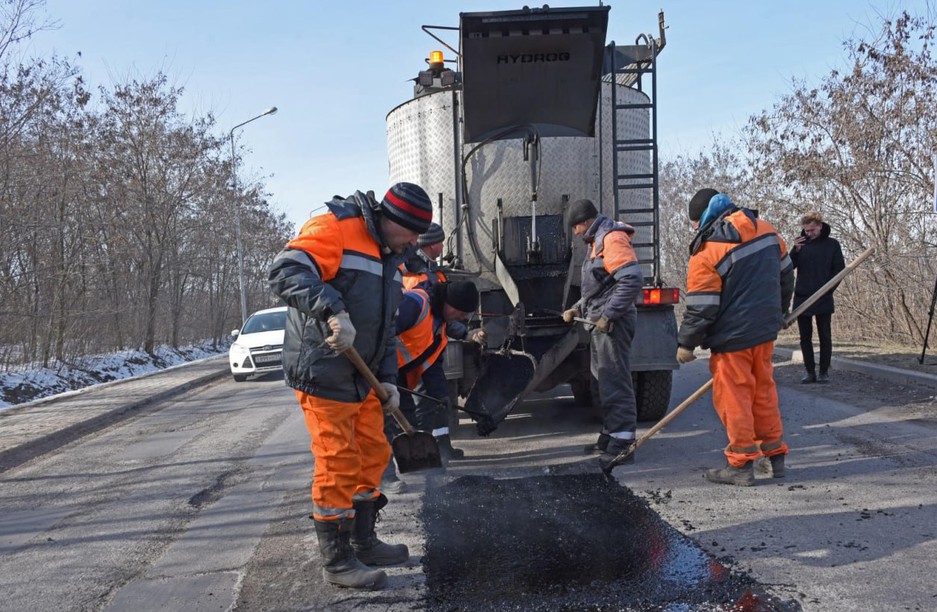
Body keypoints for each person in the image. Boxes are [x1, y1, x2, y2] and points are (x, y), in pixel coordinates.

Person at [268, 182, 433, 590]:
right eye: (411, 232)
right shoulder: (336, 228)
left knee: (373, 455)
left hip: (365, 376)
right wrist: (333, 310)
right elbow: (285, 270)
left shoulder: (393, 257)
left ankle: (362, 540)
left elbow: (387, 330)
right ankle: (337, 559)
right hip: (324, 368)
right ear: (391, 219)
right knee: (338, 460)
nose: (415, 242)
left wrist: (390, 382)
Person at [676, 188, 794, 486]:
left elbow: (702, 307)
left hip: (732, 340)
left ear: (702, 218)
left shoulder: (707, 252)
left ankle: (740, 465)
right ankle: (775, 456)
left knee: (735, 399)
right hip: (764, 333)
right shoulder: (767, 230)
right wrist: (779, 312)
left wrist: (686, 343)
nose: (694, 229)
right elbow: (786, 275)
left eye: (693, 223)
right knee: (763, 392)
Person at [561, 198, 643, 467]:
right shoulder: (596, 242)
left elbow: (630, 279)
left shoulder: (611, 239)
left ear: (585, 222)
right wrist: (576, 308)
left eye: (575, 226)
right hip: (600, 322)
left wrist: (609, 315)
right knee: (603, 379)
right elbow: (599, 288)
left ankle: (622, 444)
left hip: (613, 324)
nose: (574, 232)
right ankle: (611, 433)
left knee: (615, 379)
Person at [387, 281, 484, 469]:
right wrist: (384, 375)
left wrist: (440, 395)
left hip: (398, 376)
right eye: (461, 312)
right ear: (448, 302)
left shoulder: (439, 324)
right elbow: (383, 334)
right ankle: (385, 476)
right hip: (380, 372)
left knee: (408, 422)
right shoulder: (415, 304)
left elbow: (431, 364)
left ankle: (412, 468)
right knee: (379, 425)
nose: (462, 318)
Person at [790, 211, 845, 384]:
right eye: (807, 230)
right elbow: (788, 267)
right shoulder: (800, 245)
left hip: (823, 296)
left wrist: (828, 291)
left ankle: (823, 372)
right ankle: (809, 372)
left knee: (825, 336)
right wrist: (795, 251)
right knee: (805, 337)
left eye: (812, 230)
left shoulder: (832, 244)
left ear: (820, 226)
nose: (809, 233)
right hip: (802, 297)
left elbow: (839, 270)